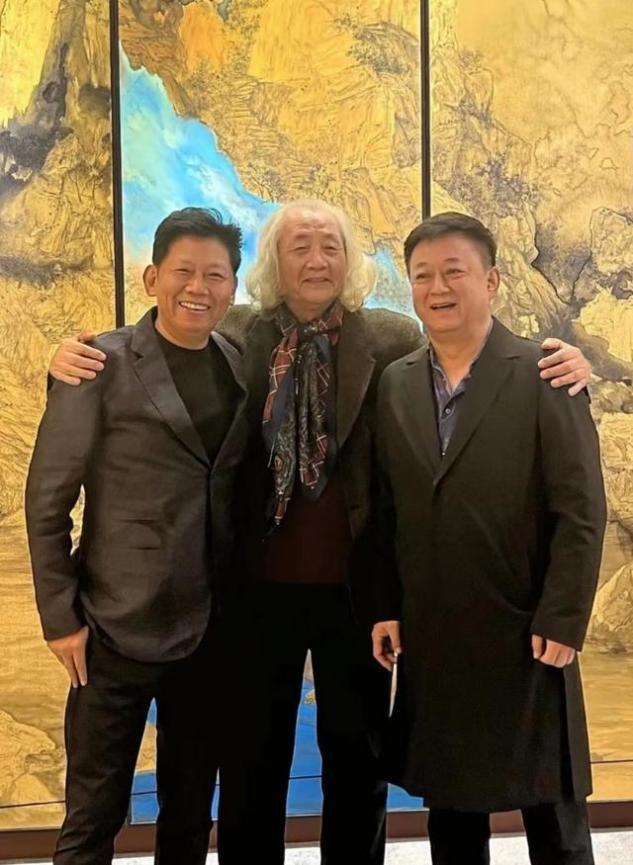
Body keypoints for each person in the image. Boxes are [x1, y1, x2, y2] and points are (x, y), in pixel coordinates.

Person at [49, 200, 593, 865]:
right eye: (299, 247)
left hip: (354, 591)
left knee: (356, 759)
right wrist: (70, 353)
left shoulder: (390, 339)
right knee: (251, 760)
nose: (315, 260)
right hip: (253, 591)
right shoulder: (237, 334)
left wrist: (566, 359)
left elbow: (468, 356)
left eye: (330, 247)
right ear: (274, 263)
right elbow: (161, 347)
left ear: (349, 261)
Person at [372, 212, 607, 865]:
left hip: (527, 625)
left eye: (454, 271)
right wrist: (386, 604)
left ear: (492, 279)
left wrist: (563, 616)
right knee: (452, 807)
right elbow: (386, 508)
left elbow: (580, 508)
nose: (437, 287)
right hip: (435, 629)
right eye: (423, 275)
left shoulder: (544, 371)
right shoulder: (396, 382)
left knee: (551, 807)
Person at [25, 208, 248, 865]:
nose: (198, 287)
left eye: (215, 275)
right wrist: (60, 619)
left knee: (189, 812)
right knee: (93, 816)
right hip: (111, 627)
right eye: (184, 271)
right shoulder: (99, 363)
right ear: (152, 278)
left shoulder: (236, 361)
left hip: (209, 631)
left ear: (233, 287)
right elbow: (47, 501)